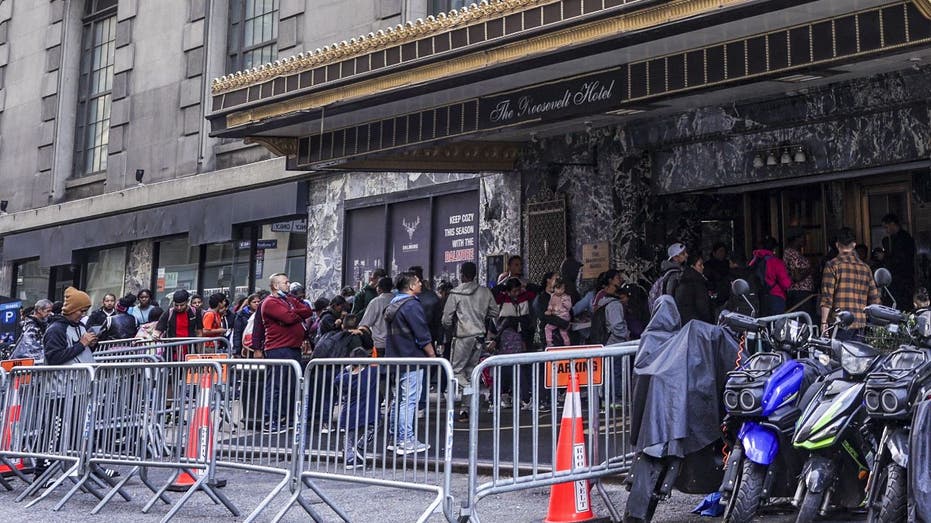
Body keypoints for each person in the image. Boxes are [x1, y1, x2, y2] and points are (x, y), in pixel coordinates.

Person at [384, 272, 436, 455]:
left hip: (395, 357)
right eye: (418, 282)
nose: (421, 284)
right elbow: (421, 333)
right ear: (411, 286)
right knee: (409, 400)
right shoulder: (411, 305)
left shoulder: (393, 304)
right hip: (411, 356)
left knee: (398, 399)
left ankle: (394, 438)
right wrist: (432, 354)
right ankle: (406, 440)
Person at [441, 262, 499, 422]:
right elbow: (495, 311)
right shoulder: (485, 291)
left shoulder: (456, 293)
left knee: (456, 371)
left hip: (462, 337)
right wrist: (480, 317)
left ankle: (470, 390)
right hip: (479, 337)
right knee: (471, 370)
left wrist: (453, 326)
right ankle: (464, 410)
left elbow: (446, 319)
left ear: (462, 275)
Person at [257, 273, 313, 433]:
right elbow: (288, 318)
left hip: (292, 347)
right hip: (278, 349)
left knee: (289, 386)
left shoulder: (288, 299)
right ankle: (270, 420)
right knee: (275, 385)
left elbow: (307, 310)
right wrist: (295, 313)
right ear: (275, 286)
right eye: (285, 282)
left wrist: (294, 310)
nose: (288, 285)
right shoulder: (270, 302)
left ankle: (282, 418)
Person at [820, 227, 881, 339]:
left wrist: (824, 322)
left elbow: (827, 298)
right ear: (854, 245)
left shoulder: (832, 266)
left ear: (837, 245)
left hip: (839, 323)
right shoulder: (865, 268)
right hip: (860, 324)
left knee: (838, 356)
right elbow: (875, 299)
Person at [334, 347, 380, 469]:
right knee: (373, 427)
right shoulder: (371, 373)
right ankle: (360, 447)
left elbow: (337, 379)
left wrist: (348, 368)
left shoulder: (345, 378)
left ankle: (349, 458)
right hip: (367, 410)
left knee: (349, 436)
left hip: (350, 411)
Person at [44, 287, 96, 365]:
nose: (83, 315)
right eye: (81, 311)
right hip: (65, 376)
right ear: (71, 309)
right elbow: (53, 358)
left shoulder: (81, 326)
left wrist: (91, 344)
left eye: (85, 311)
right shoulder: (56, 329)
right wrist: (81, 344)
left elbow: (81, 353)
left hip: (83, 375)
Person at [749, 237, 792, 317]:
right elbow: (786, 284)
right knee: (776, 326)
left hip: (759, 297)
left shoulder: (754, 261)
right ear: (774, 249)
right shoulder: (776, 262)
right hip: (776, 298)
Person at [881, 214, 916, 311]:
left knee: (902, 308)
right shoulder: (893, 239)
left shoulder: (904, 238)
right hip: (897, 280)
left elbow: (901, 259)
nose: (886, 230)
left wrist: (885, 257)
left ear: (892, 224)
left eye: (886, 227)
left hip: (903, 280)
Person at [358, 277, 394, 357]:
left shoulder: (375, 302)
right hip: (396, 344)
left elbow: (364, 325)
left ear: (379, 288)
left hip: (379, 345)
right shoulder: (397, 300)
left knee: (379, 369)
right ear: (392, 287)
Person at [674, 252, 713, 324]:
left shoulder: (684, 280)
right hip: (697, 323)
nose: (703, 267)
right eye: (700, 265)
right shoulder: (697, 282)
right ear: (692, 266)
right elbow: (702, 307)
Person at [11, 299, 54, 363]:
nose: (51, 313)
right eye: (48, 311)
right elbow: (30, 344)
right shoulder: (31, 326)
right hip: (25, 364)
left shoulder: (40, 324)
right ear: (39, 310)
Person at [784, 231, 815, 317]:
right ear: (796, 238)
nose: (805, 240)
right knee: (802, 320)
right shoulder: (792, 253)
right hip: (799, 292)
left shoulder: (795, 253)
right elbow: (797, 277)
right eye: (803, 238)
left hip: (802, 292)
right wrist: (810, 270)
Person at [649, 243, 687, 312]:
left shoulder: (667, 272)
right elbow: (670, 295)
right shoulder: (674, 274)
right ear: (675, 257)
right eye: (683, 254)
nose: (686, 255)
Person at [544, 277, 572, 347]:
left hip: (563, 317)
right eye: (558, 289)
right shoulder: (552, 296)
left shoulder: (566, 297)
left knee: (563, 331)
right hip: (555, 316)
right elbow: (550, 304)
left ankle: (567, 344)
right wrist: (549, 310)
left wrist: (564, 302)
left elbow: (569, 307)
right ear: (554, 288)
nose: (559, 291)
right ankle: (549, 342)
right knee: (547, 327)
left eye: (562, 289)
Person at [704, 242, 732, 307]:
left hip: (727, 296)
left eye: (724, 251)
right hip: (715, 296)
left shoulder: (727, 264)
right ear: (714, 253)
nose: (722, 253)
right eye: (720, 251)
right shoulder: (708, 265)